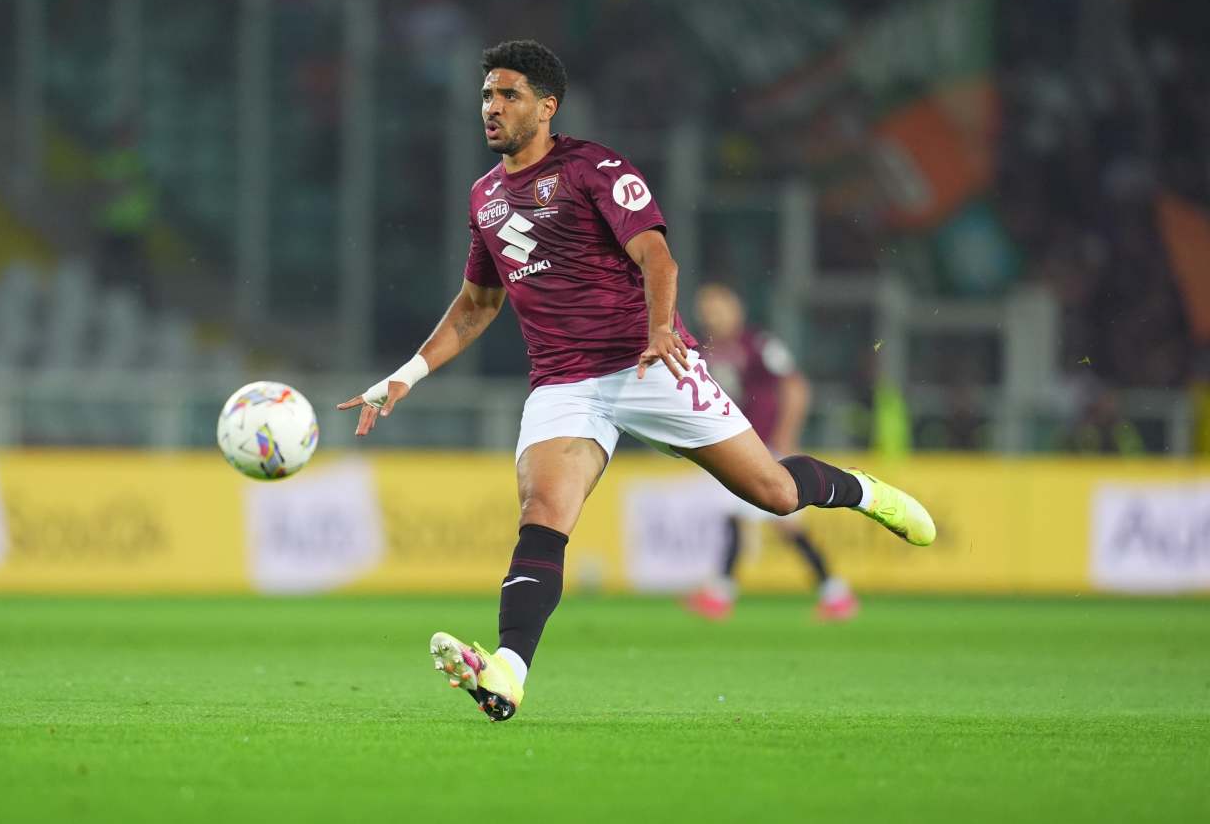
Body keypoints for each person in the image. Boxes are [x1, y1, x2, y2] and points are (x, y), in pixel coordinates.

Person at [338, 40, 934, 722]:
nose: (491, 107)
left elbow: (658, 257)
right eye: (486, 95)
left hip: (648, 363)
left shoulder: (594, 168)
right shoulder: (485, 198)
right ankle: (508, 671)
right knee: (542, 511)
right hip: (564, 384)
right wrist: (407, 374)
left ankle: (864, 491)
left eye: (507, 95)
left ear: (546, 106)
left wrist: (659, 330)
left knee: (773, 492)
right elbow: (477, 304)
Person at [684, 283, 858, 622]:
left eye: (717, 307)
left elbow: (795, 385)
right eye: (705, 309)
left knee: (746, 516)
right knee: (764, 521)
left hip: (764, 446)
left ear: (736, 309)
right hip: (737, 445)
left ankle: (722, 594)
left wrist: (787, 434)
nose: (711, 316)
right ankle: (833, 593)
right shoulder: (704, 351)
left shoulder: (758, 344)